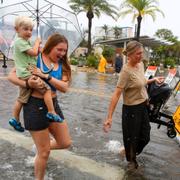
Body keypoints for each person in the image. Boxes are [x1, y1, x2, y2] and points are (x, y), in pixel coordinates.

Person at [8, 33, 72, 180]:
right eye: (59, 49)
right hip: (34, 106)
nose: (62, 53)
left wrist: (45, 76)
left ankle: (41, 147)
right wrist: (27, 83)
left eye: (64, 50)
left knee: (65, 142)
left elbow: (64, 87)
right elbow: (12, 76)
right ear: (50, 46)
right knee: (44, 153)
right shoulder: (35, 57)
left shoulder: (63, 64)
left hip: (53, 105)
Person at [103, 41, 164, 170]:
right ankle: (131, 164)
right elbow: (116, 94)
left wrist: (153, 79)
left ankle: (126, 151)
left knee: (145, 137)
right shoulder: (126, 71)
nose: (141, 56)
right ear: (129, 55)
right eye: (138, 54)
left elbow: (140, 82)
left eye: (142, 53)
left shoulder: (140, 65)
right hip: (131, 110)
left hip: (143, 106)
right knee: (132, 139)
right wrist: (109, 117)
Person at [9, 16, 62, 132]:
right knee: (47, 89)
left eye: (31, 29)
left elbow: (33, 53)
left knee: (22, 98)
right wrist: (37, 43)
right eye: (25, 29)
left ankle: (15, 119)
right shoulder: (19, 42)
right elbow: (33, 53)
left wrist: (38, 48)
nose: (29, 32)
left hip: (26, 72)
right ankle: (51, 112)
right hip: (27, 73)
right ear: (17, 29)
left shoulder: (24, 42)